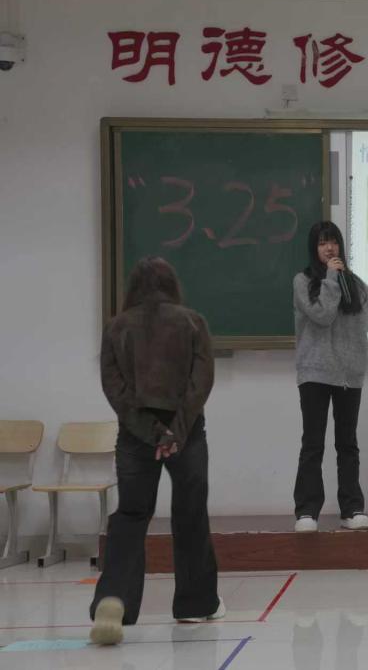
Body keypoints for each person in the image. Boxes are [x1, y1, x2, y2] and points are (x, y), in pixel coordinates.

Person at [90, 257, 222, 646]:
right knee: (190, 514)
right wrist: (173, 433)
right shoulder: (193, 322)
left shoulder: (116, 327)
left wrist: (151, 432)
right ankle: (195, 604)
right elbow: (201, 382)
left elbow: (114, 389)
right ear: (172, 285)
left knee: (131, 515)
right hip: (186, 433)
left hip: (135, 436)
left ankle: (114, 600)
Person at [293, 221, 368, 533]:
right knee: (313, 443)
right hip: (315, 373)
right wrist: (332, 277)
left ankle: (352, 508)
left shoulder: (354, 283)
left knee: (348, 444)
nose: (329, 248)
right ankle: (307, 512)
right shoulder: (303, 281)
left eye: (333, 242)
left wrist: (354, 336)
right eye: (322, 243)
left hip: (349, 373)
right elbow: (322, 315)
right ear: (314, 248)